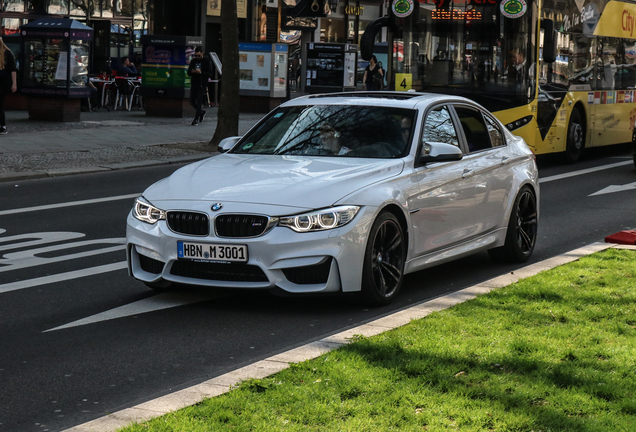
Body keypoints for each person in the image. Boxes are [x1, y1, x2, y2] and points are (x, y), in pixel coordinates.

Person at [187, 47, 213, 126]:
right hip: (194, 82)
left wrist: (201, 72)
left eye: (199, 55)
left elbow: (209, 74)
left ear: (202, 53)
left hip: (202, 83)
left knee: (199, 101)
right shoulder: (193, 61)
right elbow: (189, 72)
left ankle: (196, 119)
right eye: (196, 55)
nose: (197, 57)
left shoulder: (206, 61)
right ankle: (201, 112)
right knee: (192, 100)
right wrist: (193, 71)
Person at [0, 37, 17, 134]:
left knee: (0, 103)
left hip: (4, 83)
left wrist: (14, 84)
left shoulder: (7, 53)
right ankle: (2, 125)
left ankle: (3, 125)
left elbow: (13, 70)